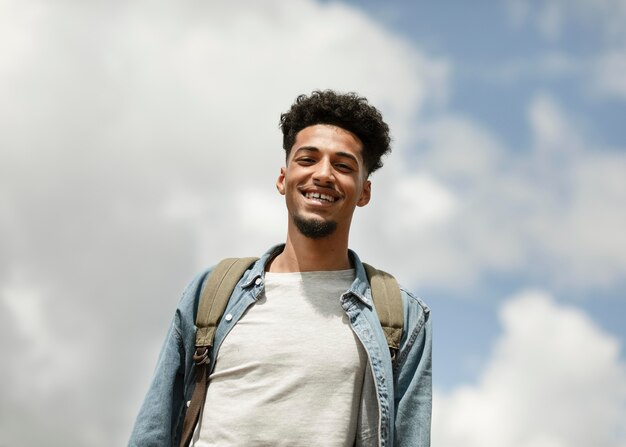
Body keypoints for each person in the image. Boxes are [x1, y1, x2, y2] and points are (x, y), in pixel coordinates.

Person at [128, 90, 432, 446]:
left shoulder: (399, 316)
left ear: (364, 192)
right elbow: (155, 428)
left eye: (343, 165)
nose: (323, 174)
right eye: (308, 159)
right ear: (283, 178)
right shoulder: (212, 292)